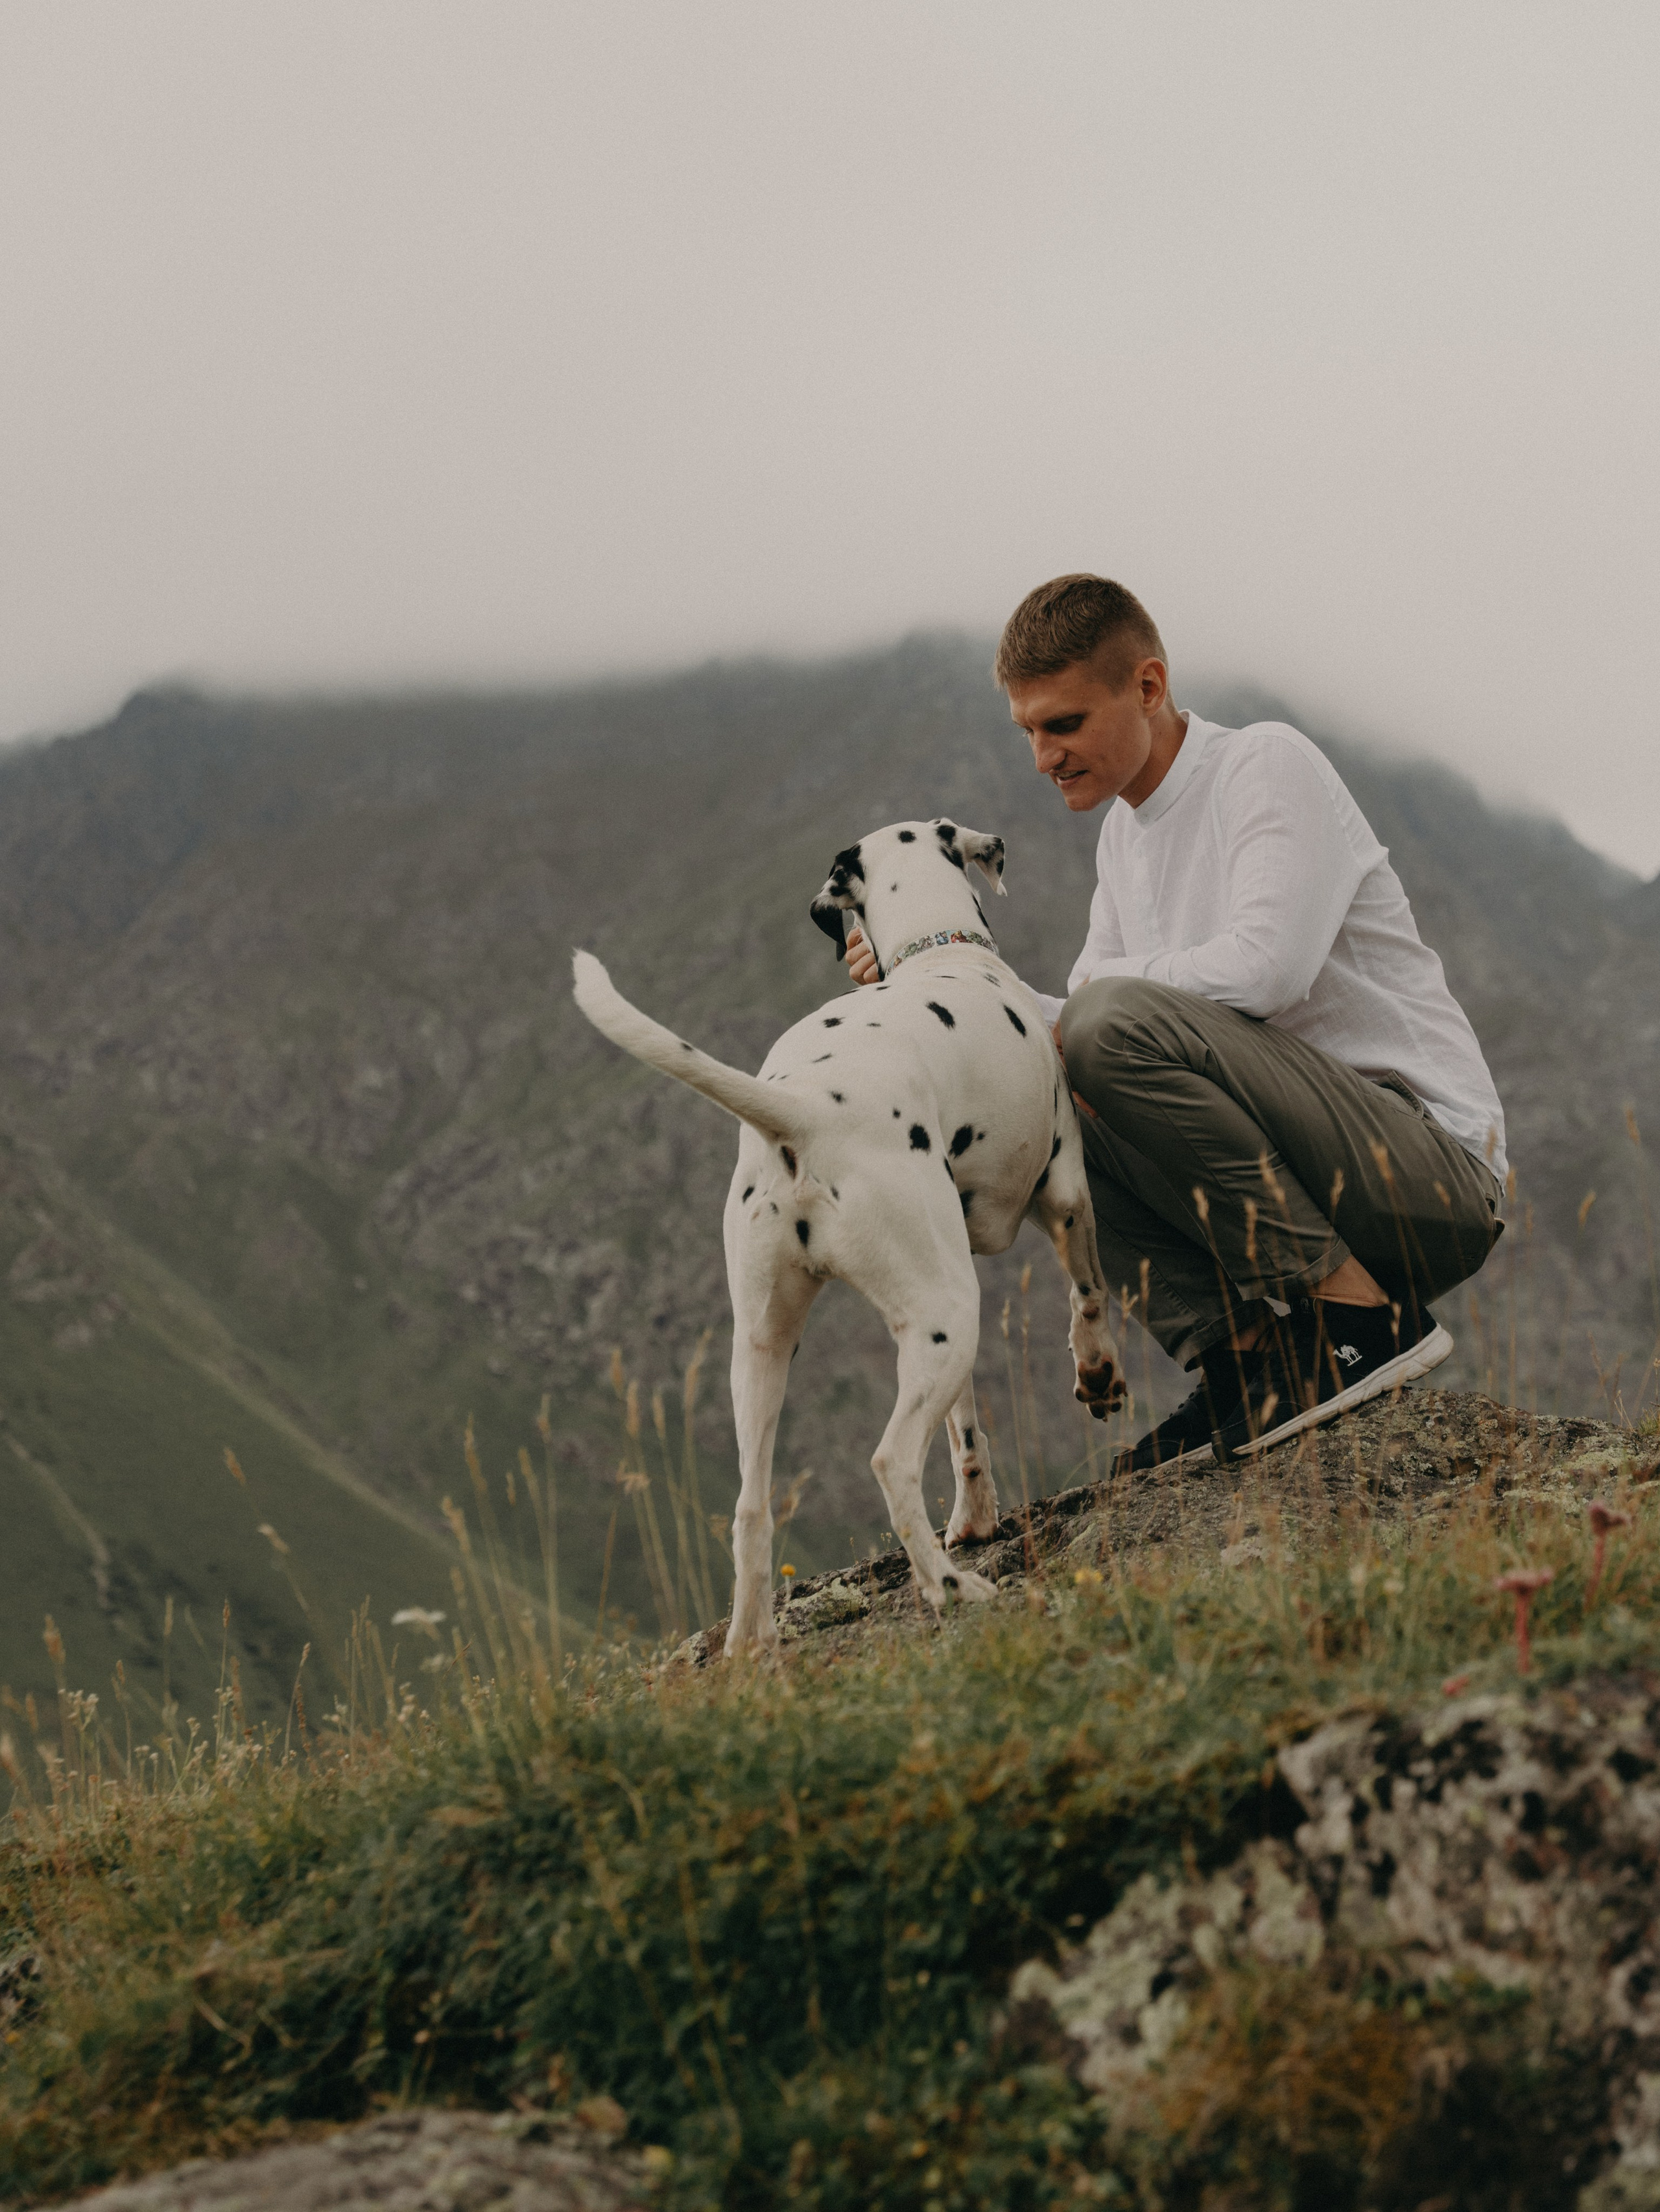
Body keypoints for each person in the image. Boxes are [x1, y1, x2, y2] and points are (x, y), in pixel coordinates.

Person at [848, 574, 1506, 1468]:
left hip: (1423, 1176)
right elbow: (1069, 1030)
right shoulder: (1125, 838)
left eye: (1065, 724)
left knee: (1105, 1024)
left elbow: (1264, 973)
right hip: (1314, 1178)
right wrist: (943, 972)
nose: (1043, 757)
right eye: (1029, 732)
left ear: (1148, 688)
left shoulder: (1264, 765)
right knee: (1045, 1087)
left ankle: (1360, 1322)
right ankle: (1245, 1362)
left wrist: (1090, 1003)